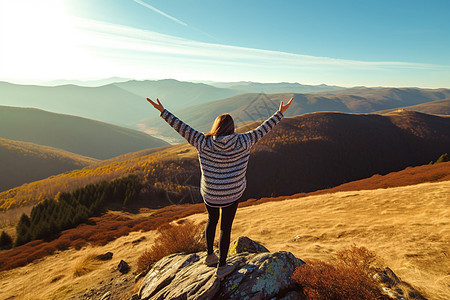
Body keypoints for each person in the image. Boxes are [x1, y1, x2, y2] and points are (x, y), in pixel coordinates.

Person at [146, 96, 293, 278]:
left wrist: (163, 111)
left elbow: (181, 127)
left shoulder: (203, 142)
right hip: (232, 193)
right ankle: (222, 266)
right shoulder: (244, 141)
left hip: (210, 194)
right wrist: (280, 113)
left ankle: (209, 256)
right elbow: (264, 129)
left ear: (216, 127)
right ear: (232, 128)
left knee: (211, 220)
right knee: (225, 228)